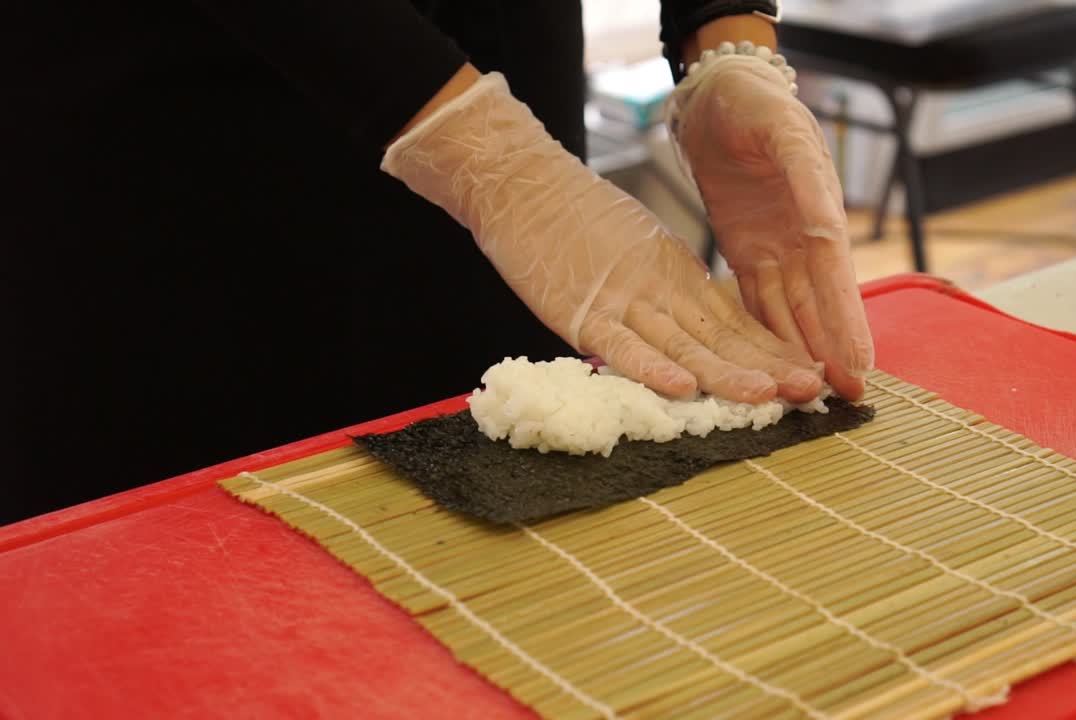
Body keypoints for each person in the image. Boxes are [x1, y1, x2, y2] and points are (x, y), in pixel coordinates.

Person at [1, 0, 873, 523]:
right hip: (180, 138)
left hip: (502, 77)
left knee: (507, 508)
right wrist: (485, 156)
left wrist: (723, 39)